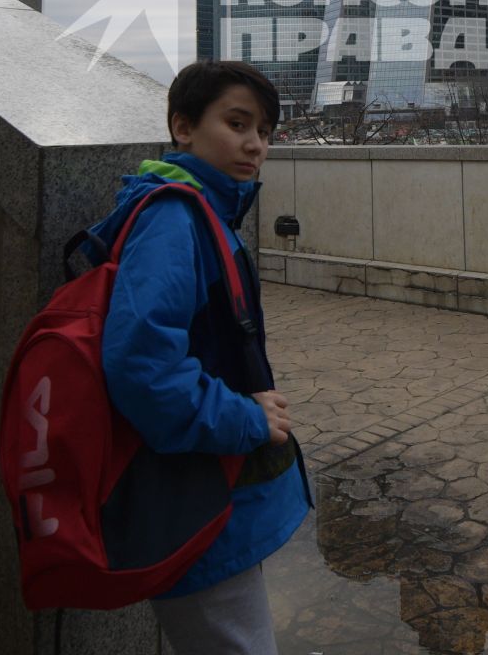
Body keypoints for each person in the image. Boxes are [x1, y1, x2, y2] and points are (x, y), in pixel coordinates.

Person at [99, 60, 308, 653]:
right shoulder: (175, 218)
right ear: (183, 127)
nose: (255, 145)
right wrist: (246, 417)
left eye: (264, 131)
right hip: (193, 493)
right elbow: (141, 363)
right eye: (237, 123)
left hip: (205, 478)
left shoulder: (207, 210)